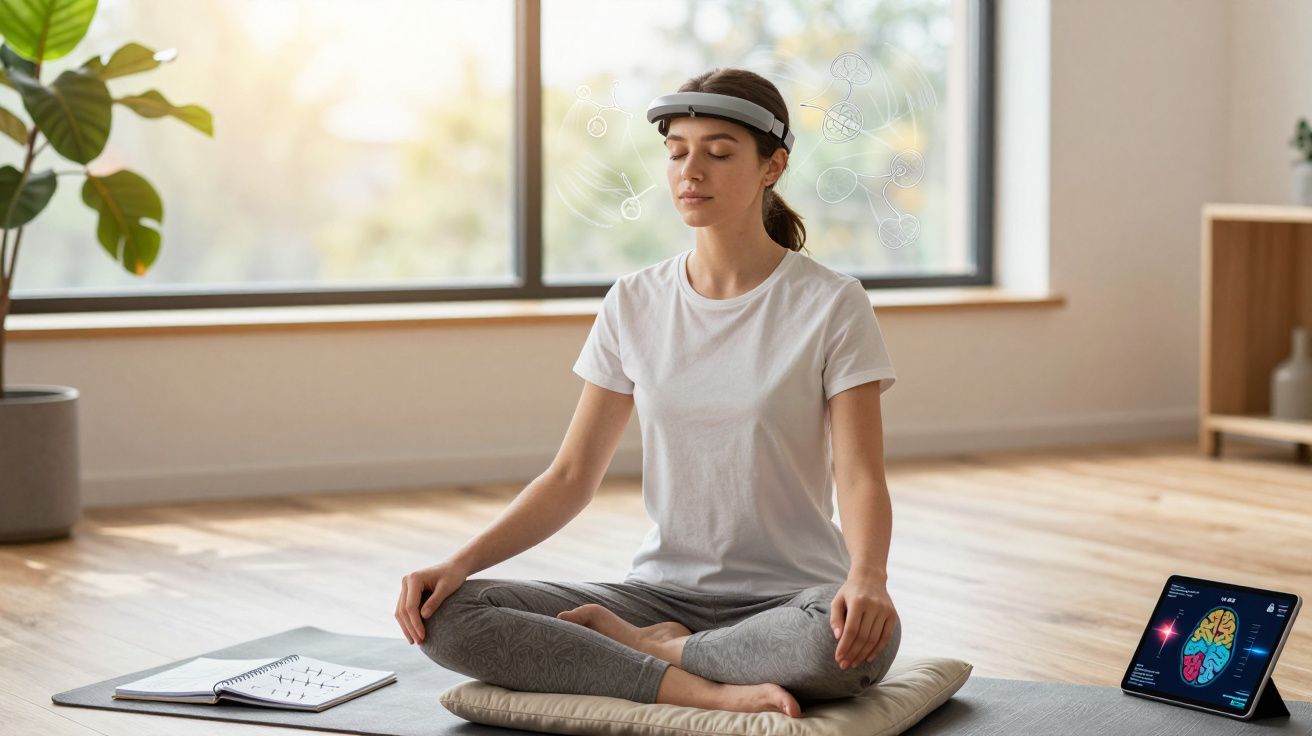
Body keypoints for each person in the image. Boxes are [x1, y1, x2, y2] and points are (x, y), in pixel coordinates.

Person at [395, 67, 900, 719]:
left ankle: (648, 655)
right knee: (451, 616)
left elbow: (860, 476)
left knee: (849, 647)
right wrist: (456, 564)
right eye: (677, 152)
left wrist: (868, 579)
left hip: (790, 600)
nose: (692, 171)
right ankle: (694, 682)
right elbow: (573, 475)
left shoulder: (832, 303)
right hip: (659, 594)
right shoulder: (633, 302)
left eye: (718, 154)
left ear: (773, 166)